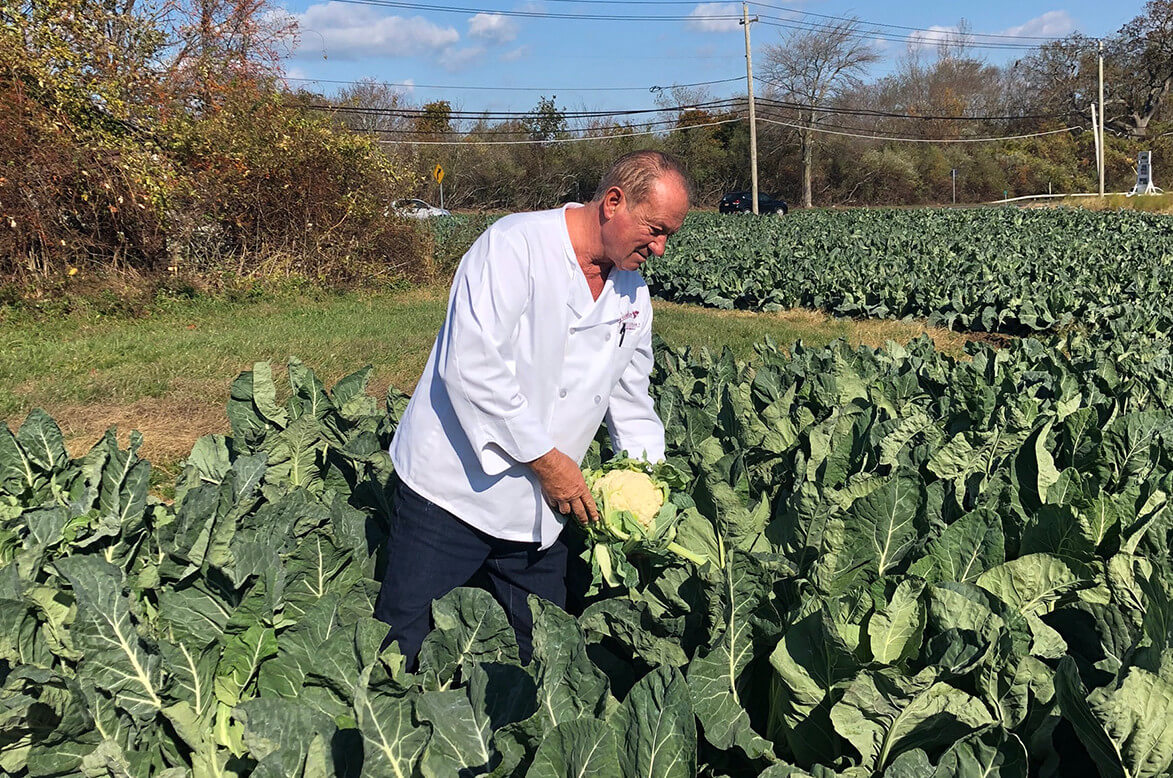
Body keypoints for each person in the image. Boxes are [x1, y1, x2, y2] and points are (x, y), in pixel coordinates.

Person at [374, 150, 693, 665]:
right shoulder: (514, 245)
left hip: (541, 515)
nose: (659, 248)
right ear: (614, 202)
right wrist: (549, 462)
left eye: (668, 237)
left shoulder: (634, 296)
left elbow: (632, 402)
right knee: (405, 648)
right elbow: (472, 367)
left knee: (547, 664)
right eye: (654, 230)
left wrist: (650, 491)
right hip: (454, 490)